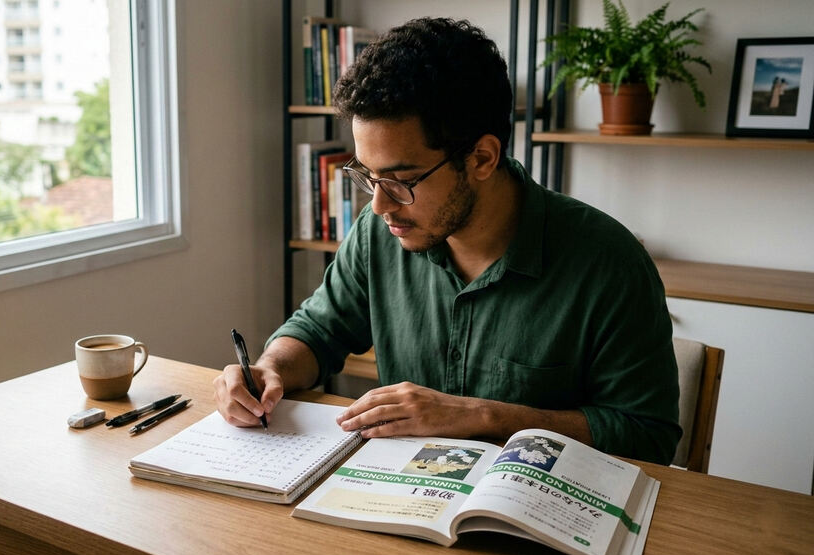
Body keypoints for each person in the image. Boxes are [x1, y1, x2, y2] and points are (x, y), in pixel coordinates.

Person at [214, 18, 681, 465]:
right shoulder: (380, 233)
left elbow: (647, 435)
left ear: (481, 157)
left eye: (400, 180)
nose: (379, 205)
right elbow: (319, 331)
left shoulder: (609, 263)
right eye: (367, 175)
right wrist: (271, 368)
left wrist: (482, 417)